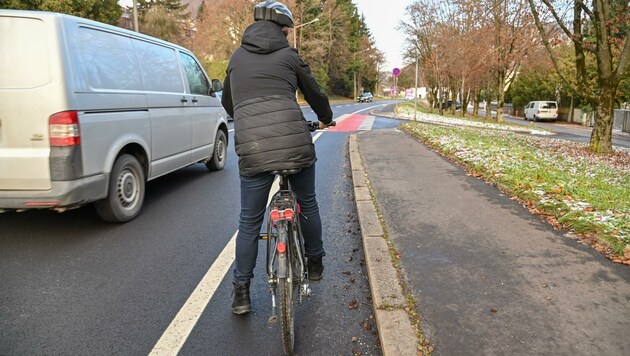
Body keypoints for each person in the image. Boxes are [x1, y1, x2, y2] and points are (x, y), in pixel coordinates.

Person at [221, 0, 333, 315]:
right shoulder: (288, 55)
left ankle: (241, 292)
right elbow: (315, 94)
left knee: (249, 221)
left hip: (253, 148)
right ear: (283, 29)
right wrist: (326, 117)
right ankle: (315, 262)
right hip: (293, 143)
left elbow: (230, 105)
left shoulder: (236, 58)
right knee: (307, 202)